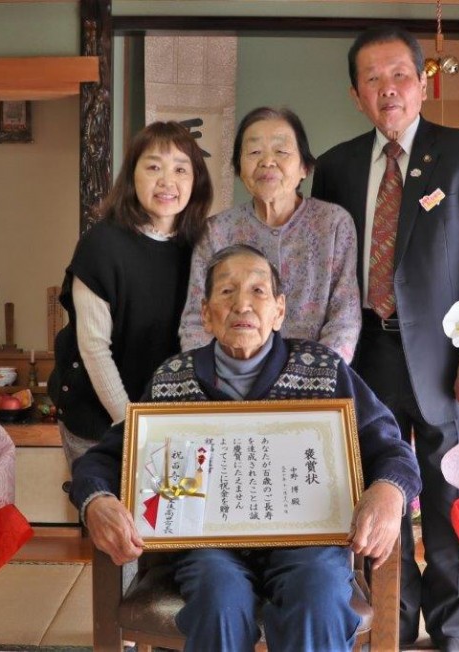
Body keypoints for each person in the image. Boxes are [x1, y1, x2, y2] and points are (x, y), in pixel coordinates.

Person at [72, 244, 421, 652]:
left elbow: (392, 448)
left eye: (258, 291)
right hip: (210, 550)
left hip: (307, 545)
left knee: (318, 594)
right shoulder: (173, 379)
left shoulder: (324, 369)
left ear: (279, 310)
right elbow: (106, 458)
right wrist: (96, 501)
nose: (242, 304)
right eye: (226, 292)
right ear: (205, 313)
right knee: (218, 596)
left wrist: (388, 491)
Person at [311, 27, 459, 652]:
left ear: (422, 83)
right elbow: (330, 263)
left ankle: (452, 634)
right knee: (379, 496)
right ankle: (391, 628)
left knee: (451, 501)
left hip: (449, 362)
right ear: (355, 94)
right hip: (366, 354)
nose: (387, 89)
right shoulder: (337, 165)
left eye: (399, 75)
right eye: (372, 79)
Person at [49, 121, 212, 467]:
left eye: (181, 169)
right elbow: (94, 348)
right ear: (131, 176)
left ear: (195, 181)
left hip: (170, 421)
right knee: (110, 518)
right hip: (97, 419)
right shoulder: (102, 245)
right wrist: (131, 424)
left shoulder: (202, 247)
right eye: (153, 167)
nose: (167, 181)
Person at [179, 107, 361, 364]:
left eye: (281, 151)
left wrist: (314, 378)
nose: (267, 161)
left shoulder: (333, 224)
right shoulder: (216, 231)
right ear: (239, 167)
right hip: (231, 384)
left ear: (305, 167)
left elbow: (345, 318)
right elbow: (196, 321)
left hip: (313, 385)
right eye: (254, 152)